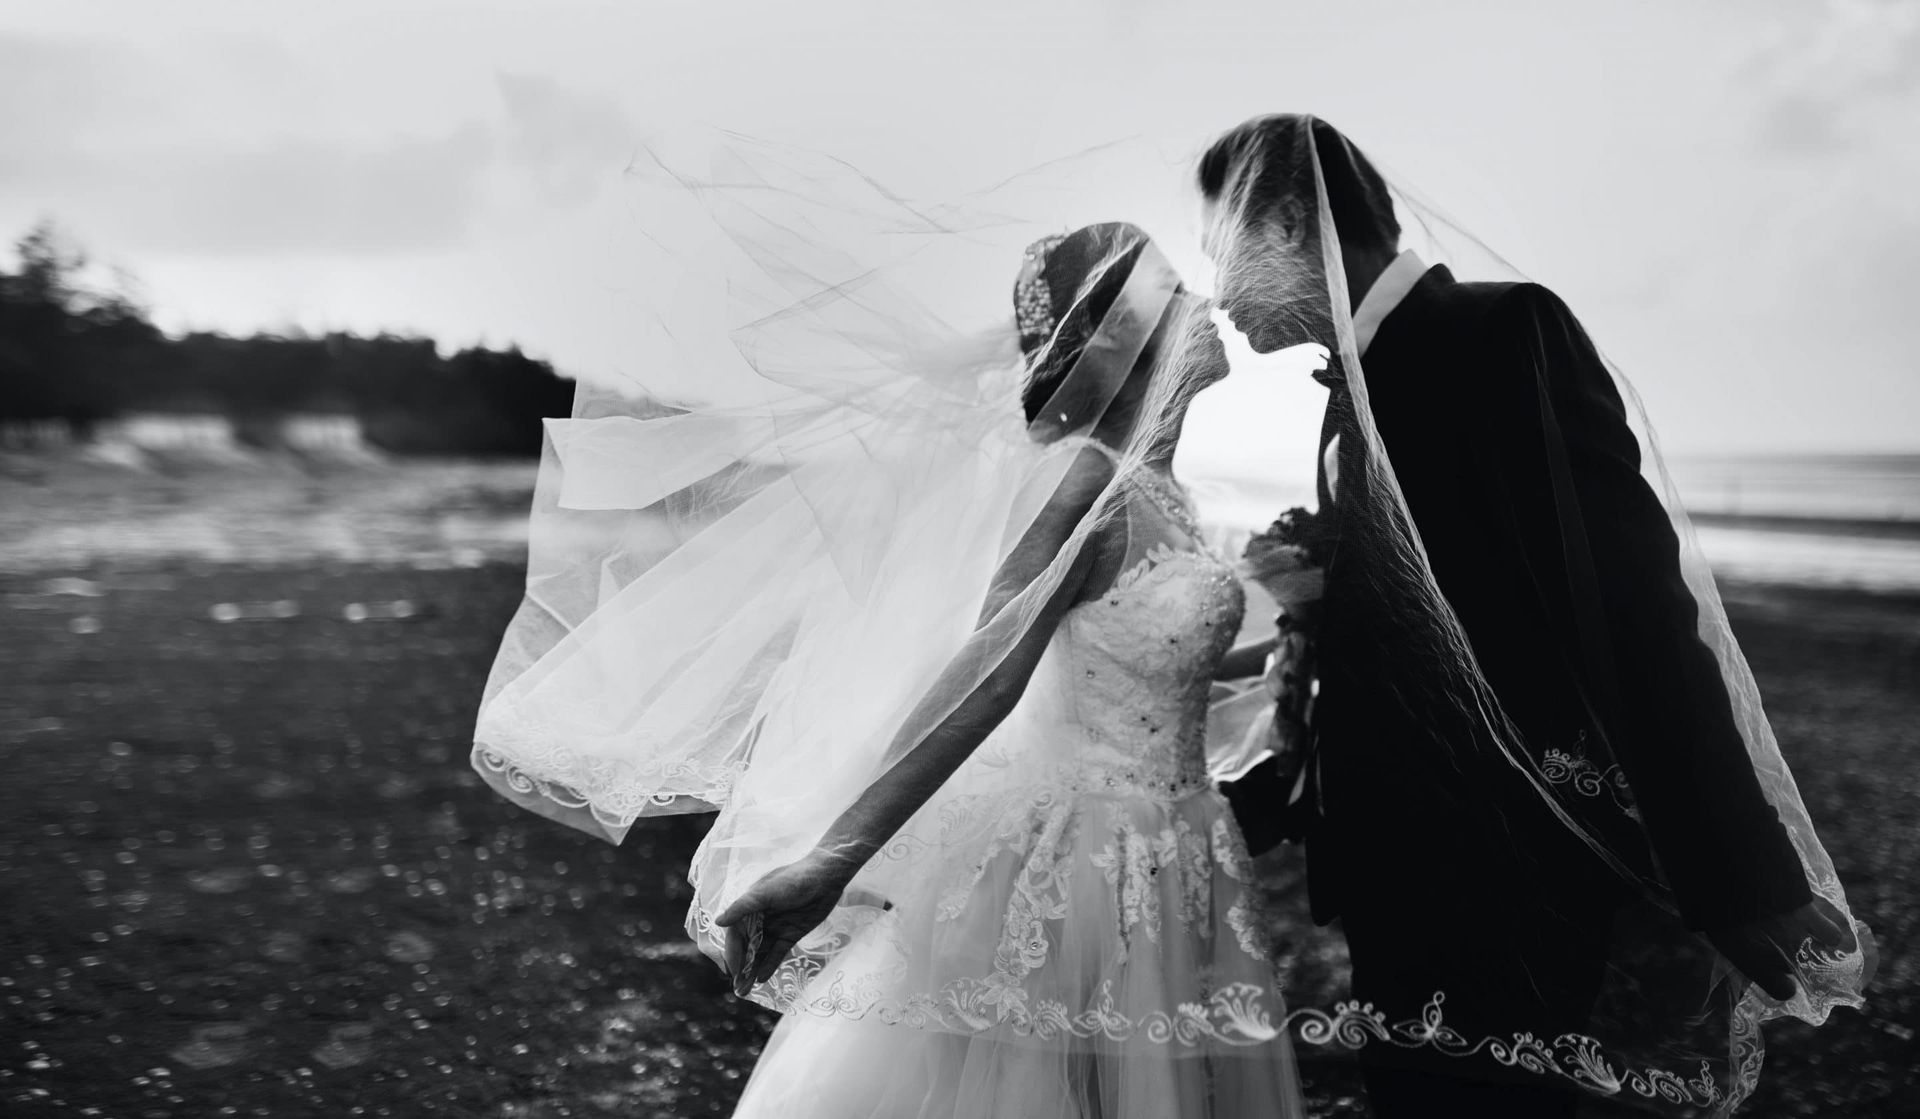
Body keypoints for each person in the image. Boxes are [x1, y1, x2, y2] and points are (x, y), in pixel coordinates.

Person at [474, 198, 1305, 1114]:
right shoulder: (1082, 482)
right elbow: (986, 676)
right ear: (1117, 337)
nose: (1202, 305)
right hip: (1080, 854)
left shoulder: (1164, 489)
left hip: (1174, 839)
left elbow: (1142, 659)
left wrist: (1292, 641)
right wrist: (833, 857)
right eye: (1174, 291)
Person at [1199, 113, 1870, 1117]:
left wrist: (1741, 876)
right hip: (1404, 873)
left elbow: (1637, 609)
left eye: (1224, 250)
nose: (1220, 292)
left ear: (1293, 224)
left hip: (1508, 877)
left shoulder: (1500, 334)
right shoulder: (1355, 392)